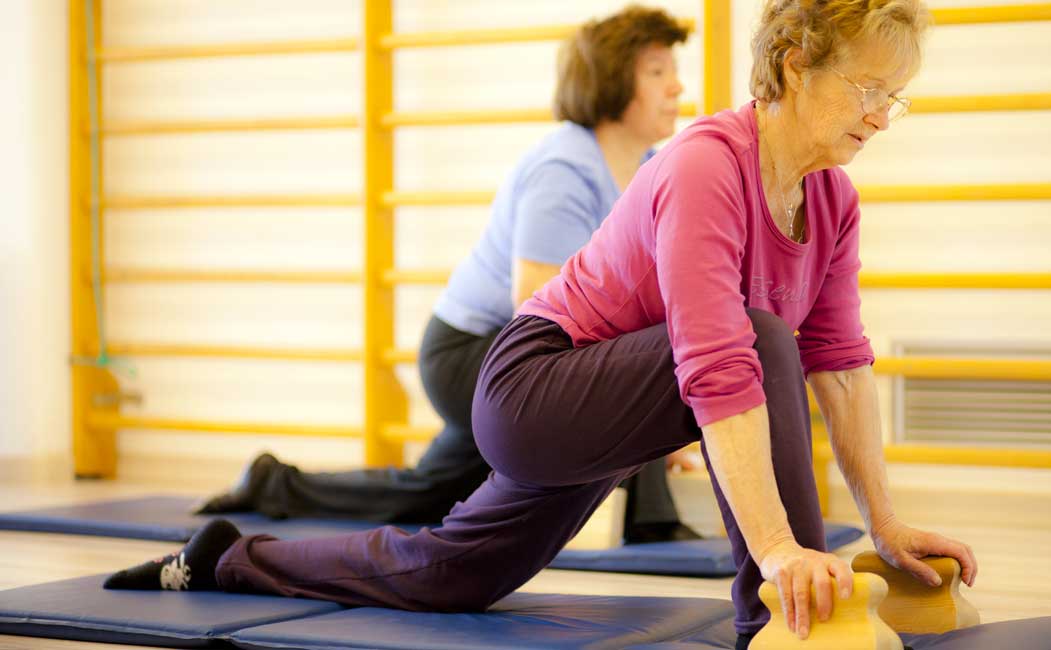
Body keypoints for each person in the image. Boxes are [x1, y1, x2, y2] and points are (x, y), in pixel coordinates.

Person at [106, 1, 979, 648]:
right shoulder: (708, 166)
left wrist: (887, 523)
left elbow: (841, 364)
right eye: (868, 87)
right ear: (792, 64)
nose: (879, 114)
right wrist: (785, 554)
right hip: (536, 382)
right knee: (759, 337)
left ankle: (225, 557)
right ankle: (778, 619)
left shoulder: (832, 199)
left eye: (895, 98)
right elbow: (721, 361)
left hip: (613, 396)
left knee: (456, 573)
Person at [194, 5, 700, 544]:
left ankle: (273, 484)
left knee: (431, 494)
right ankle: (653, 519)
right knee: (624, 372)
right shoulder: (564, 172)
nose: (676, 86)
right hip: (470, 351)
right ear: (612, 79)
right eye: (656, 71)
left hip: (506, 348)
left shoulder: (647, 167)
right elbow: (539, 309)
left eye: (671, 69)